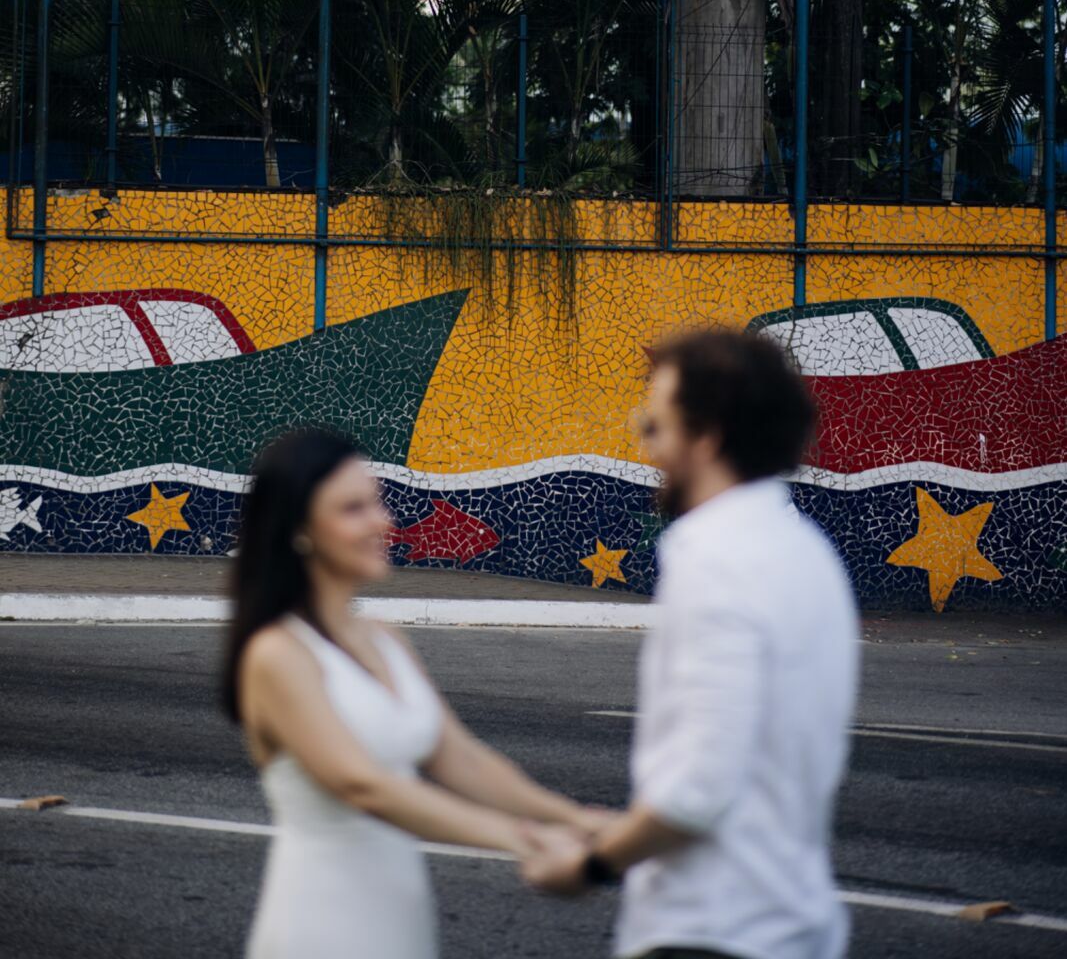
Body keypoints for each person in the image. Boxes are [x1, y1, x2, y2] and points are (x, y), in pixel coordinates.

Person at [523, 326, 859, 959]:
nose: (646, 446)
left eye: (654, 426)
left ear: (706, 438)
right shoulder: (807, 552)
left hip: (711, 927)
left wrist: (592, 864)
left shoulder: (714, 560)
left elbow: (697, 791)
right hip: (795, 921)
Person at [224, 428, 598, 959]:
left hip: (399, 922)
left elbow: (458, 758)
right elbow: (363, 786)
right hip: (321, 927)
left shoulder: (383, 638)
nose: (382, 521)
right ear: (299, 529)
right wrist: (525, 840)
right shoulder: (277, 653)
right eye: (353, 508)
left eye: (375, 501)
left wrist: (576, 819)